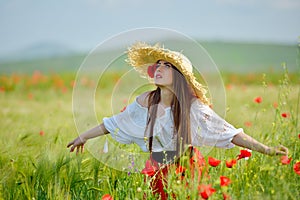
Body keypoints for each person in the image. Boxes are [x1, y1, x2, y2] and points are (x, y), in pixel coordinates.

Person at [67, 42, 288, 199]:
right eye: (158, 65)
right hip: (155, 166)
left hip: (186, 167)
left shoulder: (192, 106)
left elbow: (230, 133)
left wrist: (266, 149)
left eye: (167, 66)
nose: (159, 69)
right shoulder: (145, 100)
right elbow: (115, 123)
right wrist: (83, 137)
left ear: (179, 76)